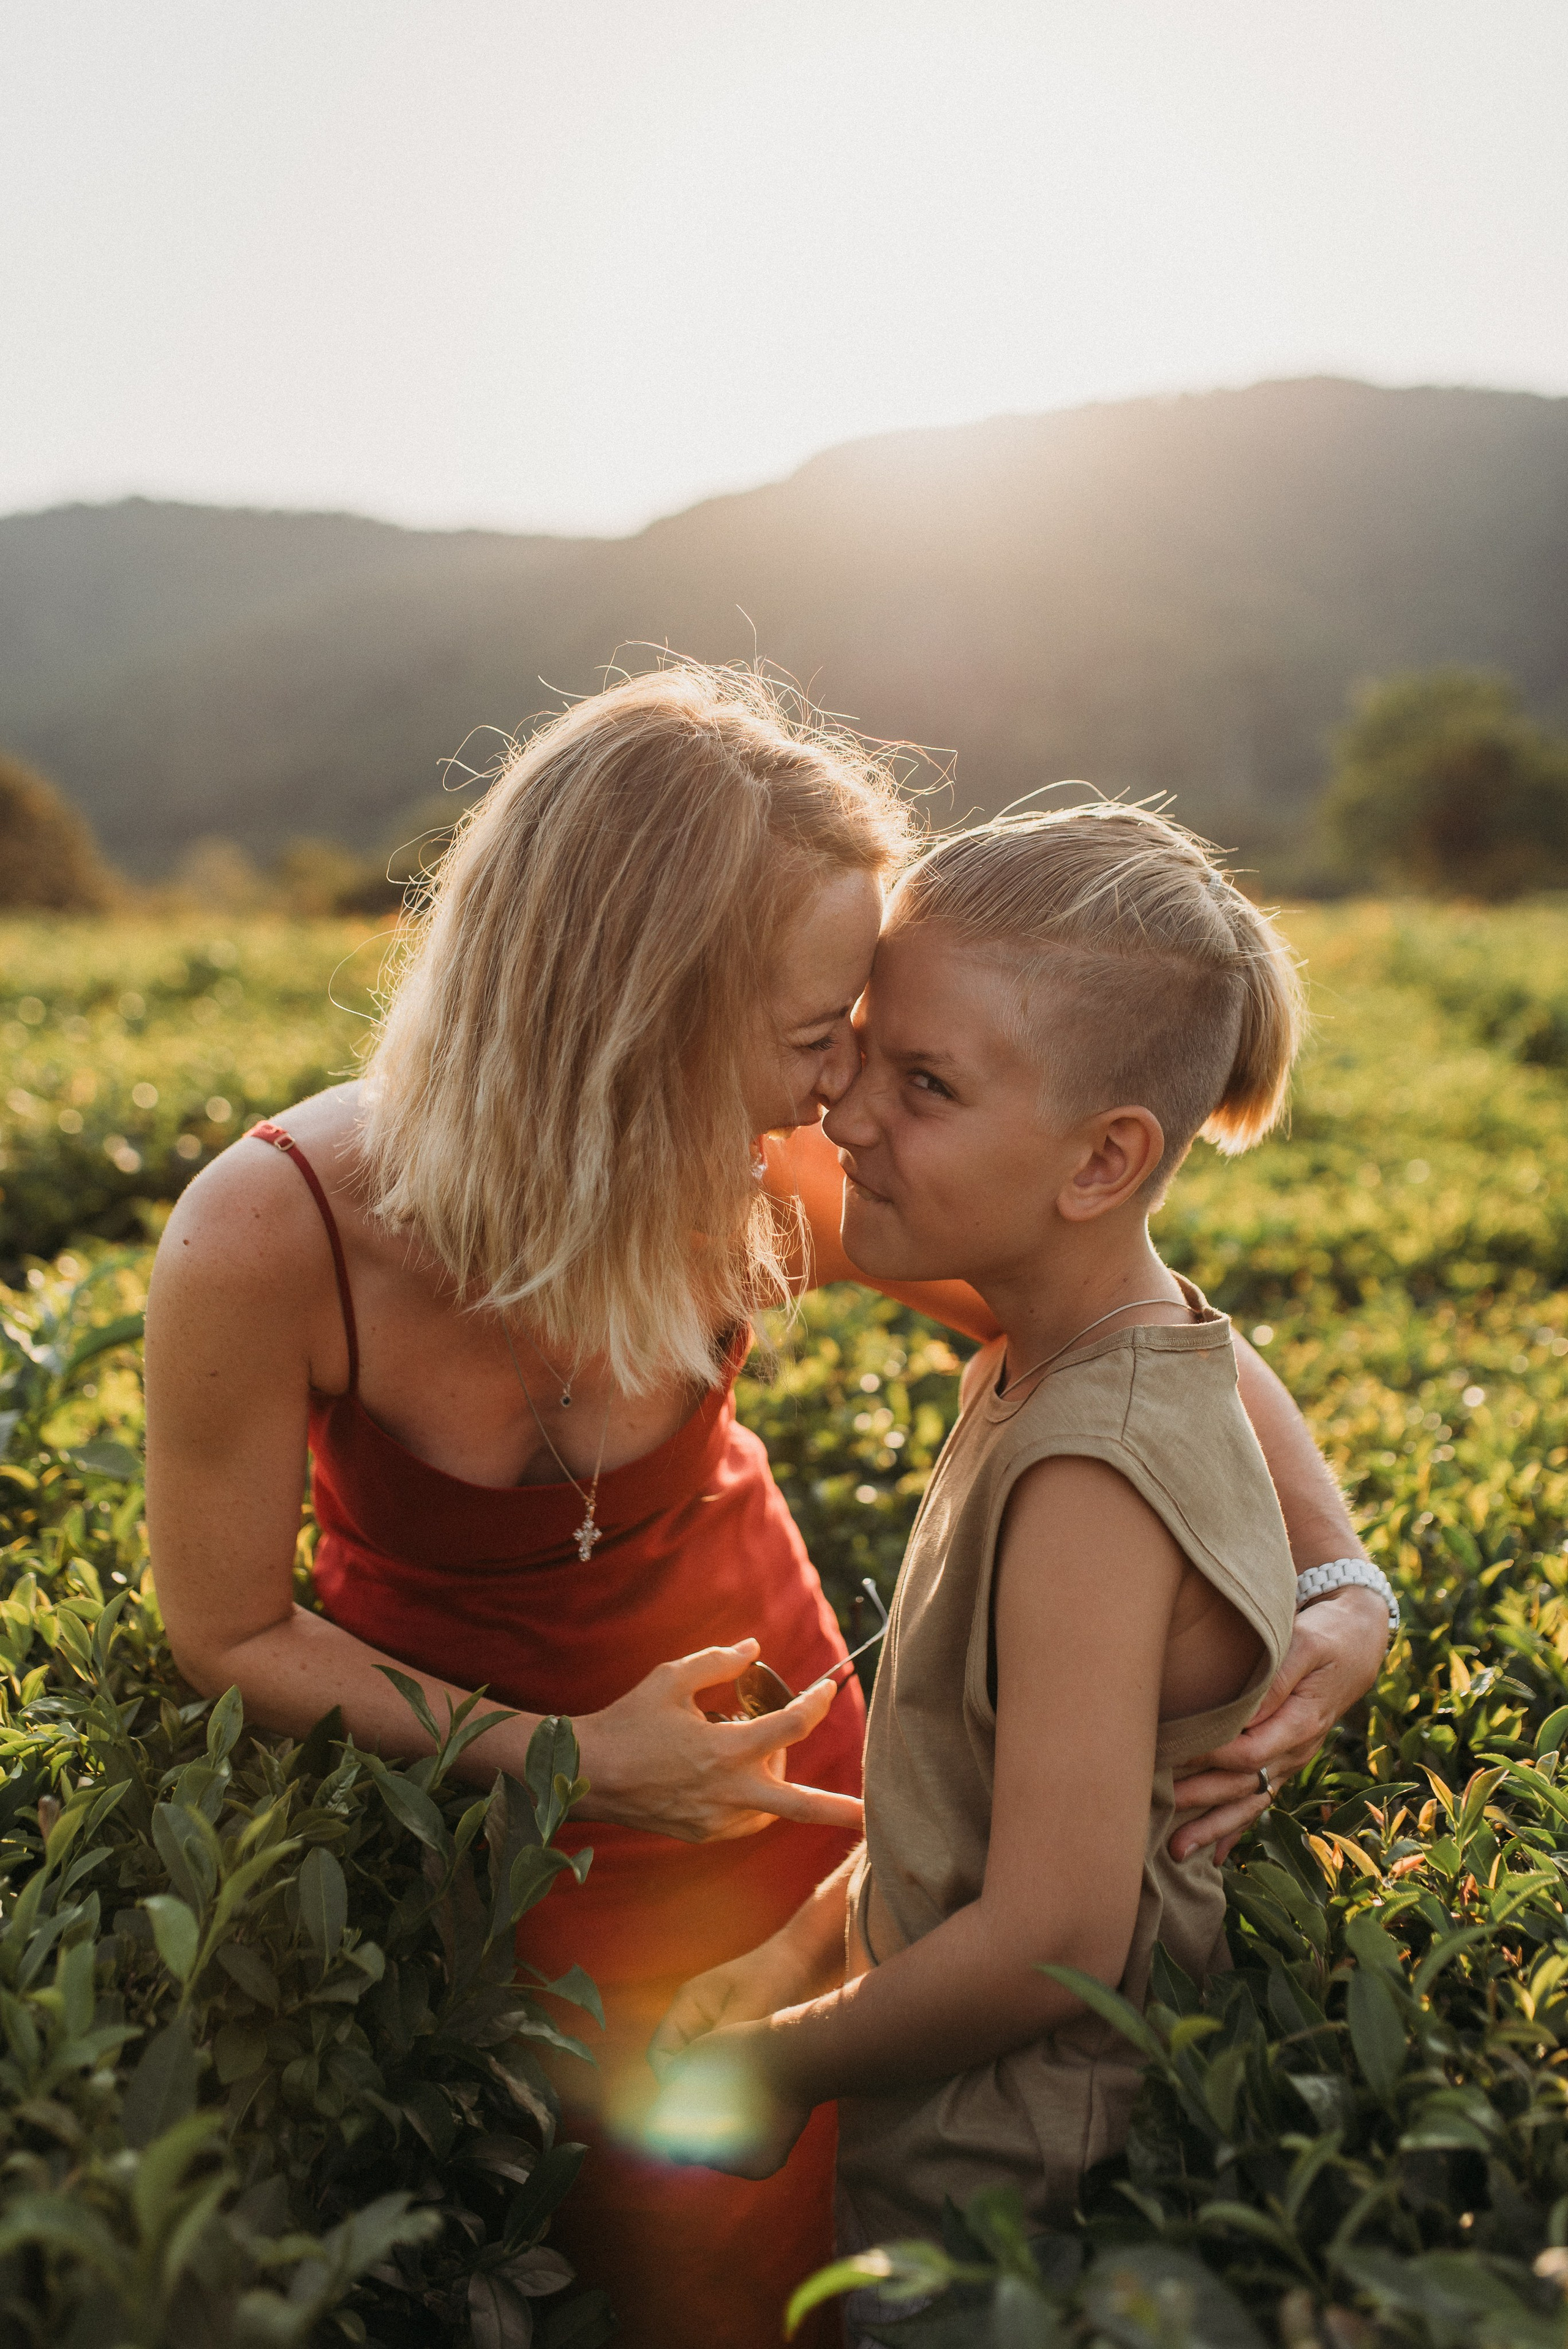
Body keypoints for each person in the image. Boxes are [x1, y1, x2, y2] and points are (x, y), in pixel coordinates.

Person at [145, 668, 1387, 2348]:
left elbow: (1131, 1319)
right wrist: (556, 1754)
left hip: (779, 1757)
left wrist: (1341, 1569)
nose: (837, 1094)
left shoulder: (762, 1152)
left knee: (806, 2216)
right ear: (641, 1014)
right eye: (820, 1036)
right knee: (567, 2233)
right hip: (471, 1777)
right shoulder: (269, 1233)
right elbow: (225, 1624)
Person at [646, 805, 1400, 2271]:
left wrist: (770, 2068)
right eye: (861, 1049)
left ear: (1101, 1161)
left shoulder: (1085, 1480)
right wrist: (791, 1953)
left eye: (923, 1083)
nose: (846, 1113)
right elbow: (974, 1821)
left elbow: (1052, 1932)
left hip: (996, 2205)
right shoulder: (1071, 1347)